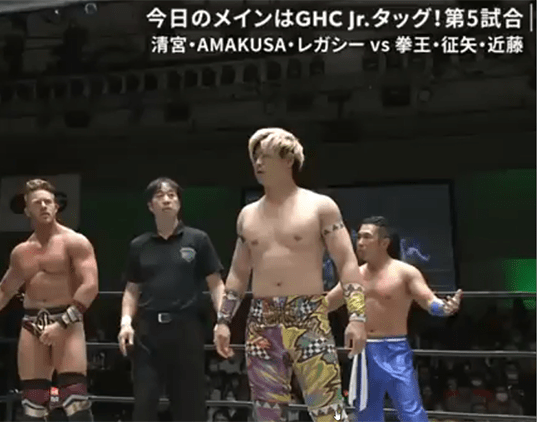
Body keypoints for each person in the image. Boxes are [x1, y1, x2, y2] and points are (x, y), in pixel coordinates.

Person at [213, 128, 367, 422]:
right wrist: (223, 320)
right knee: (266, 412)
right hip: (262, 319)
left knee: (328, 410)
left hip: (308, 315)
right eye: (255, 157)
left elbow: (347, 263)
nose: (258, 163)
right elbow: (238, 272)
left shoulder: (320, 206)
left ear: (288, 160)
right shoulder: (247, 215)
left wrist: (357, 317)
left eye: (266, 156)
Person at [0, 179, 99, 422]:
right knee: (32, 401)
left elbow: (90, 285)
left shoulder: (75, 242)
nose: (44, 206)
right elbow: (4, 290)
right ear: (27, 210)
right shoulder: (22, 252)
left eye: (48, 202)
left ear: (56, 206)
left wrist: (62, 323)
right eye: (37, 203)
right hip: (32, 323)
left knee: (74, 397)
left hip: (67, 320)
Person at [326, 216, 462, 422]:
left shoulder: (405, 273)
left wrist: (444, 308)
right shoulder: (353, 276)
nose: (360, 242)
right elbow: (327, 304)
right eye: (358, 237)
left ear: (384, 243)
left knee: (411, 412)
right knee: (366, 413)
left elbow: (428, 301)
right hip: (364, 351)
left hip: (395, 350)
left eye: (366, 237)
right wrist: (296, 310)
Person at [117, 177, 225, 422]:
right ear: (150, 205)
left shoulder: (198, 239)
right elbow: (132, 289)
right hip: (148, 333)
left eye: (171, 195)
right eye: (159, 196)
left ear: (179, 202)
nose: (166, 200)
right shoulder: (139, 245)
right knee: (143, 406)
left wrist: (223, 320)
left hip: (186, 330)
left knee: (190, 408)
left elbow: (216, 284)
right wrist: (125, 323)